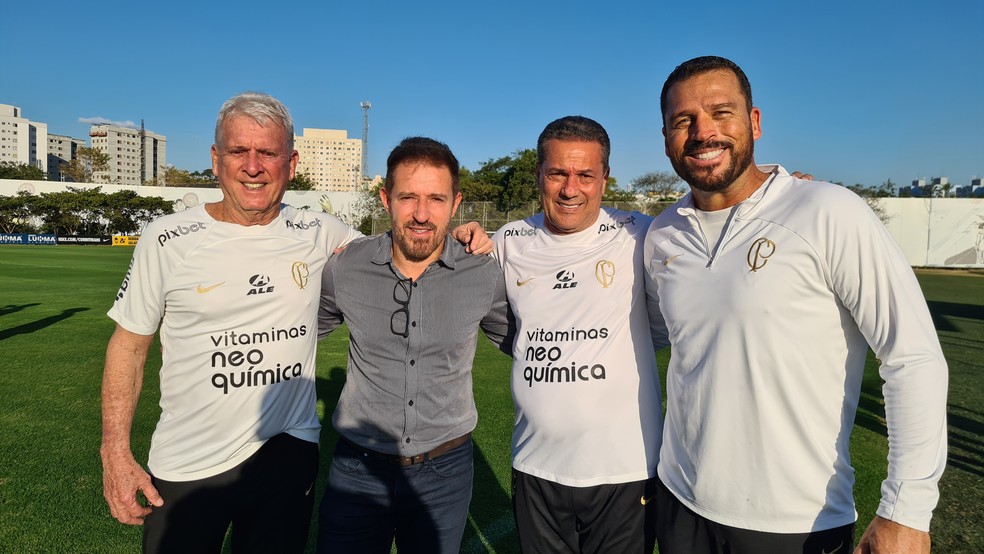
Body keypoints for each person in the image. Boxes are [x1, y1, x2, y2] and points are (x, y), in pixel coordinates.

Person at [646, 55, 948, 553]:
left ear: (754, 122)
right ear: (666, 138)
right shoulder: (662, 234)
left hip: (796, 523)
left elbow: (911, 357)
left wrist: (907, 511)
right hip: (680, 503)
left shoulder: (827, 210)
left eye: (721, 113)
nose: (703, 132)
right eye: (684, 120)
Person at [100, 92, 363, 552]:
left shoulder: (321, 231)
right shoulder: (167, 240)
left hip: (287, 449)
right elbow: (129, 345)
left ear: (291, 163)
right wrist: (115, 452)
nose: (253, 166)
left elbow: (397, 255)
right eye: (239, 151)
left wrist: (463, 235)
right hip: (188, 461)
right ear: (216, 159)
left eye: (268, 153)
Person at [316, 137, 514, 554]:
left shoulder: (483, 272)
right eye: (408, 197)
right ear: (386, 199)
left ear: (455, 203)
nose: (422, 214)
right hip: (357, 469)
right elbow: (296, 334)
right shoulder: (346, 266)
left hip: (445, 472)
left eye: (436, 199)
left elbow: (525, 342)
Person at [491, 116, 664, 553]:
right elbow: (499, 323)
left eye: (585, 175)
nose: (571, 189)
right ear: (539, 175)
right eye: (557, 174)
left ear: (604, 178)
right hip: (535, 465)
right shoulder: (509, 240)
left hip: (626, 470)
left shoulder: (643, 234)